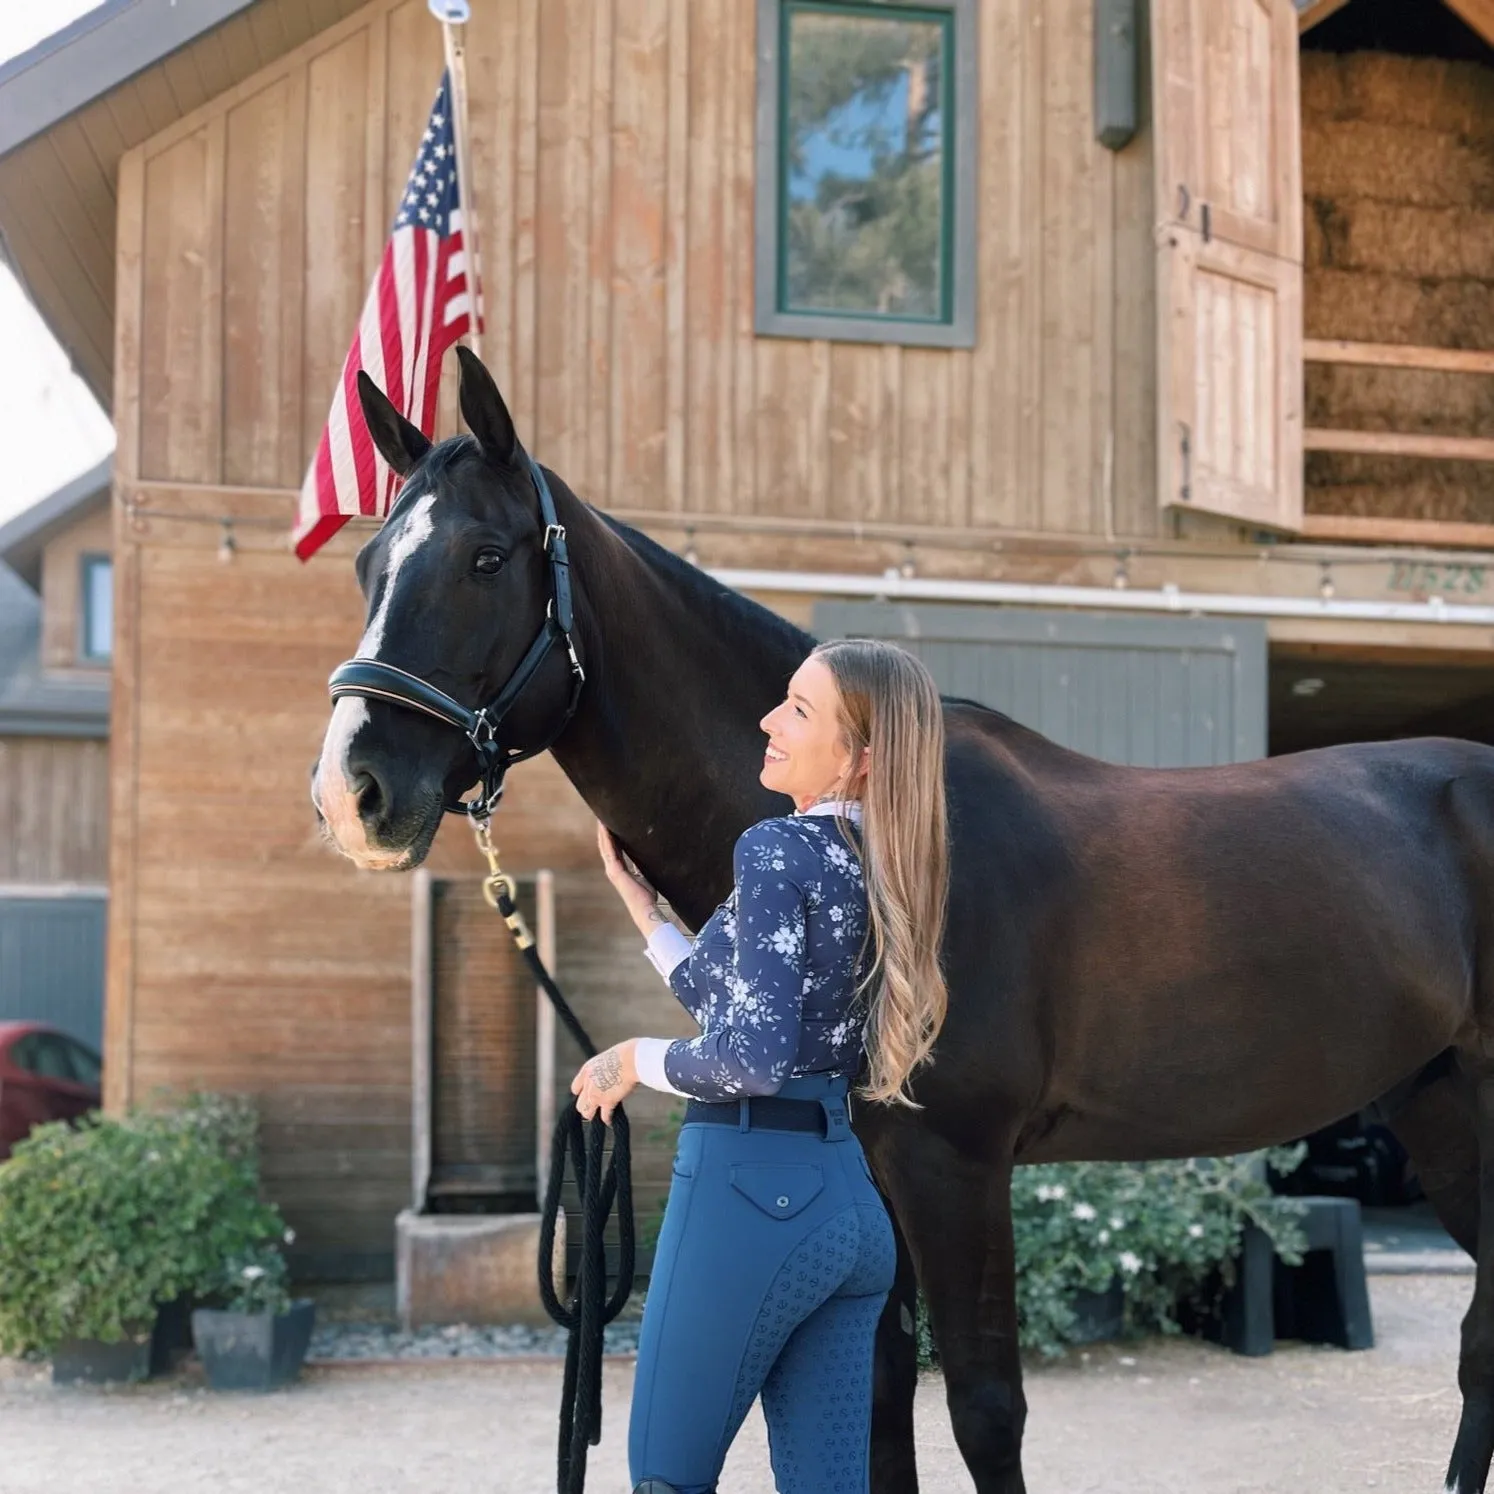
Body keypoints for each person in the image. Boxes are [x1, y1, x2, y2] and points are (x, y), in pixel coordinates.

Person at [571, 637, 951, 1494]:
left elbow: (748, 1057)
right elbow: (747, 1012)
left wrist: (632, 1058)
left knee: (665, 1478)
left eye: (800, 710)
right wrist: (647, 912)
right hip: (848, 1205)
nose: (769, 720)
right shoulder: (885, 864)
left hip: (749, 1191)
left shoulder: (776, 848)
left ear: (861, 758)